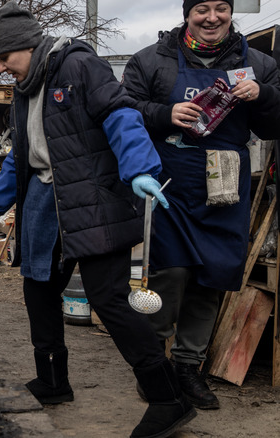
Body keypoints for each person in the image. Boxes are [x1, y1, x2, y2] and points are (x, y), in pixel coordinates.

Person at [0, 3, 195, 438]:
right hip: (43, 202)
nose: (1, 68)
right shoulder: (26, 87)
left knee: (108, 297)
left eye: (4, 57)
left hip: (93, 198)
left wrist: (140, 169)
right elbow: (22, 155)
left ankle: (167, 399)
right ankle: (54, 381)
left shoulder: (78, 65)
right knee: (38, 288)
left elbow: (120, 114)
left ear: (27, 46)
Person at [122, 0, 280, 410]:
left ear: (230, 12)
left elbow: (272, 126)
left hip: (225, 184)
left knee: (214, 276)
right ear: (187, 13)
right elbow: (121, 112)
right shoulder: (152, 60)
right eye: (202, 9)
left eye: (222, 8)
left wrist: (262, 95)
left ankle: (188, 367)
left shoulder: (259, 64)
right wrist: (163, 112)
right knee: (171, 273)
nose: (212, 18)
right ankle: (154, 366)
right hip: (169, 181)